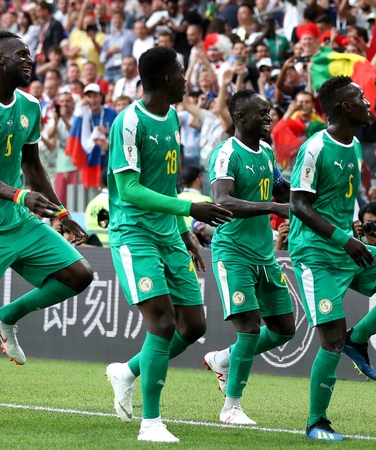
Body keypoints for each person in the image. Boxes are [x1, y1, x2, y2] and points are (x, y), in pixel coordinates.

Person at [0, 29, 94, 429]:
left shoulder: (30, 105)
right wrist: (18, 196)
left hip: (17, 216)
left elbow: (33, 167)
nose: (30, 61)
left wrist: (62, 214)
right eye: (22, 55)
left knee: (79, 274)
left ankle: (10, 316)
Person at [102, 47, 232, 443]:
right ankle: (151, 422)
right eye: (180, 73)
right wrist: (189, 208)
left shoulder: (173, 116)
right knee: (160, 323)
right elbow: (130, 189)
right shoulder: (128, 122)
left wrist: (184, 230)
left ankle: (126, 371)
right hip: (133, 234)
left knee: (193, 325)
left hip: (168, 232)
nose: (186, 79)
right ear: (163, 79)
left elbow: (166, 183)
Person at [289, 76, 376, 441]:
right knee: (330, 340)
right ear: (344, 107)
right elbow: (298, 205)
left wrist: (350, 229)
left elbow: (332, 200)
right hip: (315, 253)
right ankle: (316, 422)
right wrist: (341, 237)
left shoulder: (352, 145)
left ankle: (359, 338)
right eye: (361, 97)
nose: (369, 102)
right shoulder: (315, 147)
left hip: (345, 244)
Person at [201, 89, 296, 425]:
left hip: (264, 255)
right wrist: (272, 206)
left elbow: (281, 187)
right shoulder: (226, 154)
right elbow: (222, 201)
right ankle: (231, 407)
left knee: (285, 329)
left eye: (269, 111)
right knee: (250, 329)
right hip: (233, 252)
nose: (269, 117)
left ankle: (223, 359)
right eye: (262, 112)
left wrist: (305, 192)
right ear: (241, 118)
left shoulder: (268, 152)